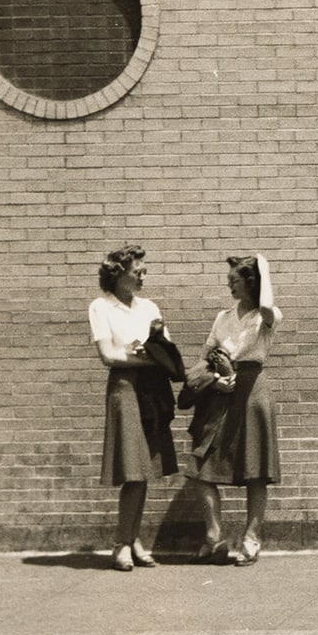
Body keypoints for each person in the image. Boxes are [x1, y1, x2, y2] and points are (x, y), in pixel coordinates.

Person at [182, 254, 282, 566]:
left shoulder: (266, 317)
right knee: (200, 467)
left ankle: (251, 539)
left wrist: (263, 265)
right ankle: (214, 538)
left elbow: (266, 305)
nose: (230, 286)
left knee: (255, 470)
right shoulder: (222, 317)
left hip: (252, 393)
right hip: (221, 392)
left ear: (252, 283)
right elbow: (205, 357)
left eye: (235, 281)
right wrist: (214, 382)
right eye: (229, 281)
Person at [88, 244, 178, 572]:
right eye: (136, 272)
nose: (142, 277)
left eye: (144, 271)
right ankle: (121, 544)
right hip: (125, 389)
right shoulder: (101, 307)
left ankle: (133, 538)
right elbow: (108, 356)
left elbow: (167, 349)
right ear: (117, 274)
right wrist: (145, 358)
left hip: (153, 391)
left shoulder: (149, 307)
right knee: (133, 469)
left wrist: (147, 355)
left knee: (145, 469)